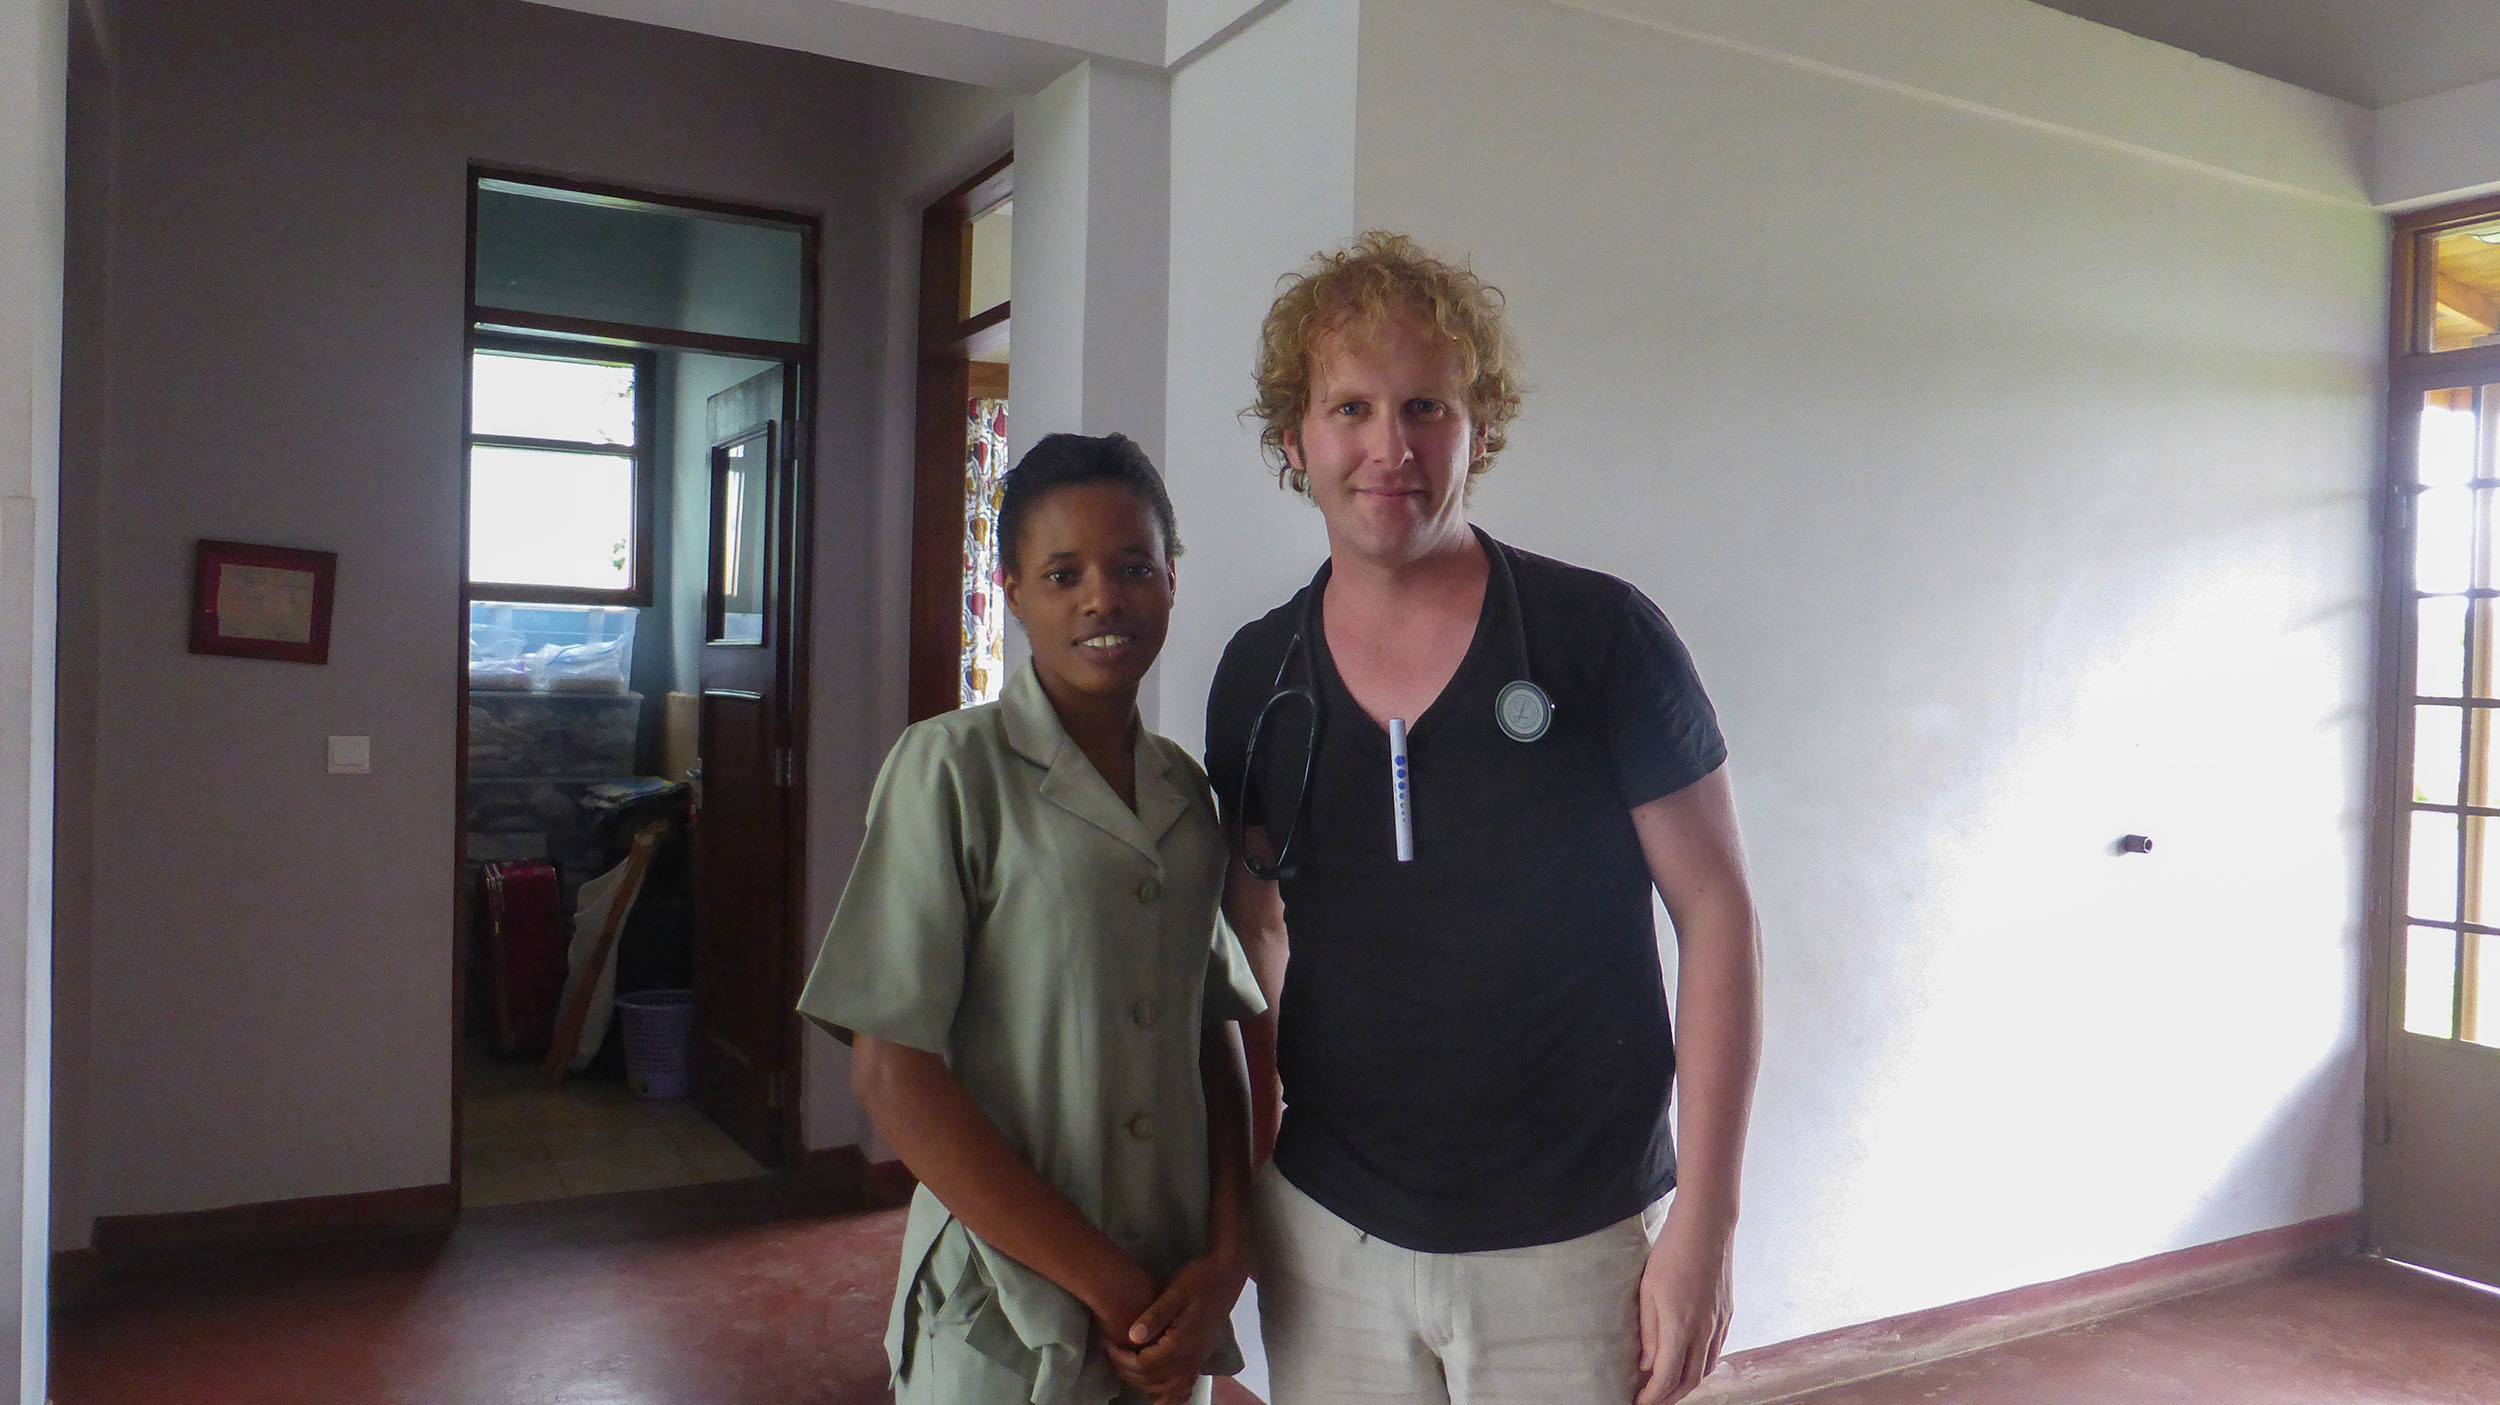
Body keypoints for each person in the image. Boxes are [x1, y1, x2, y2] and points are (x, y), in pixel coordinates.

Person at [1204, 233, 1764, 1405]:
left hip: (1570, 1242)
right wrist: (1246, 1183)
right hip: (1329, 1232)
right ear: (1295, 434)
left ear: (1479, 424)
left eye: (1426, 406)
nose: (1388, 448)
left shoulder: (1597, 635)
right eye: (1349, 406)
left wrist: (1704, 1224)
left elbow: (1715, 913)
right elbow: (1250, 931)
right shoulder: (1259, 674)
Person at [799, 432, 1267, 1405]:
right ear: (1011, 588)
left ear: (1171, 581)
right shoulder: (949, 770)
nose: (1103, 597)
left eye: (1133, 566)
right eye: (1064, 573)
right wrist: (1107, 1283)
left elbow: (1210, 1023)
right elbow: (892, 1074)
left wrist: (1226, 1247)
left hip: (1167, 1315)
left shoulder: (1184, 791)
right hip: (1007, 1309)